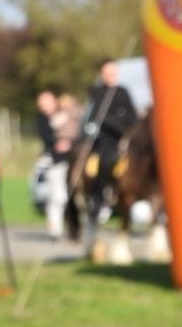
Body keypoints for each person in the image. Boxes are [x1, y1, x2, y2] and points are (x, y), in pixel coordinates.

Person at [82, 59, 138, 222]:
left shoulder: (122, 92)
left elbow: (131, 117)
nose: (111, 76)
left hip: (120, 136)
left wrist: (112, 121)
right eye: (107, 73)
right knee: (102, 160)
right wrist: (93, 126)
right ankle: (98, 197)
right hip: (102, 138)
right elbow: (90, 117)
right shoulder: (96, 92)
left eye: (113, 73)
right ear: (101, 74)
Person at [36, 89, 70, 241]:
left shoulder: (65, 114)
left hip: (70, 160)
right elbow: (48, 138)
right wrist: (58, 143)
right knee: (57, 197)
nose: (45, 105)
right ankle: (55, 229)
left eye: (47, 101)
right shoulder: (42, 120)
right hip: (54, 162)